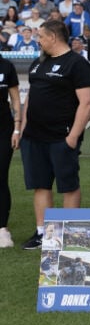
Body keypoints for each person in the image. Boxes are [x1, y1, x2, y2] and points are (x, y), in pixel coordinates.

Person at [19, 19, 90, 249]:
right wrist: (22, 129)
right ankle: (43, 233)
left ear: (52, 37)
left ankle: (69, 231)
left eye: (40, 36)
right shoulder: (38, 63)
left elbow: (87, 103)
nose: (38, 41)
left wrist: (72, 137)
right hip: (34, 137)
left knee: (68, 186)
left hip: (61, 138)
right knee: (40, 185)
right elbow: (30, 97)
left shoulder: (77, 64)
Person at [0, 47, 20, 248]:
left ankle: (2, 229)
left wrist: (17, 128)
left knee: (0, 176)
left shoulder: (6, 66)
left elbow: (15, 98)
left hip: (3, 130)